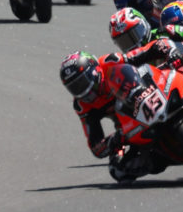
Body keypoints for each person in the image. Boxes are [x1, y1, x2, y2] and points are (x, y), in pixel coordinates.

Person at [59, 51, 171, 183]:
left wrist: (165, 51)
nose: (82, 90)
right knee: (118, 170)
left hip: (152, 93)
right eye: (75, 87)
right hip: (131, 128)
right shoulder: (82, 106)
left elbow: (145, 52)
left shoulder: (111, 61)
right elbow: (96, 147)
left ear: (94, 71)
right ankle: (161, 159)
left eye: (83, 82)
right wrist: (114, 139)